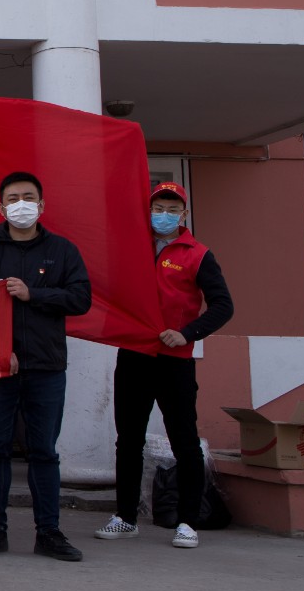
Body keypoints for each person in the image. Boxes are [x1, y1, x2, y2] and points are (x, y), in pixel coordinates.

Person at [96, 182, 233, 550]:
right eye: (159, 208)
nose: (165, 215)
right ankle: (125, 518)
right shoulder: (133, 249)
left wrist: (187, 334)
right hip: (134, 356)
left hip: (175, 362)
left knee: (184, 442)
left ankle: (188, 522)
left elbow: (223, 306)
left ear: (183, 214)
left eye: (172, 209)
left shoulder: (197, 254)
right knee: (129, 440)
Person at [0, 171, 92, 562]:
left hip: (47, 366)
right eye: (13, 198)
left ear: (41, 204)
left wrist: (32, 294)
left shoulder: (63, 249)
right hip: (0, 367)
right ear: (1, 207)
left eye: (28, 197)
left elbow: (81, 299)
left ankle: (49, 532)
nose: (20, 204)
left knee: (43, 452)